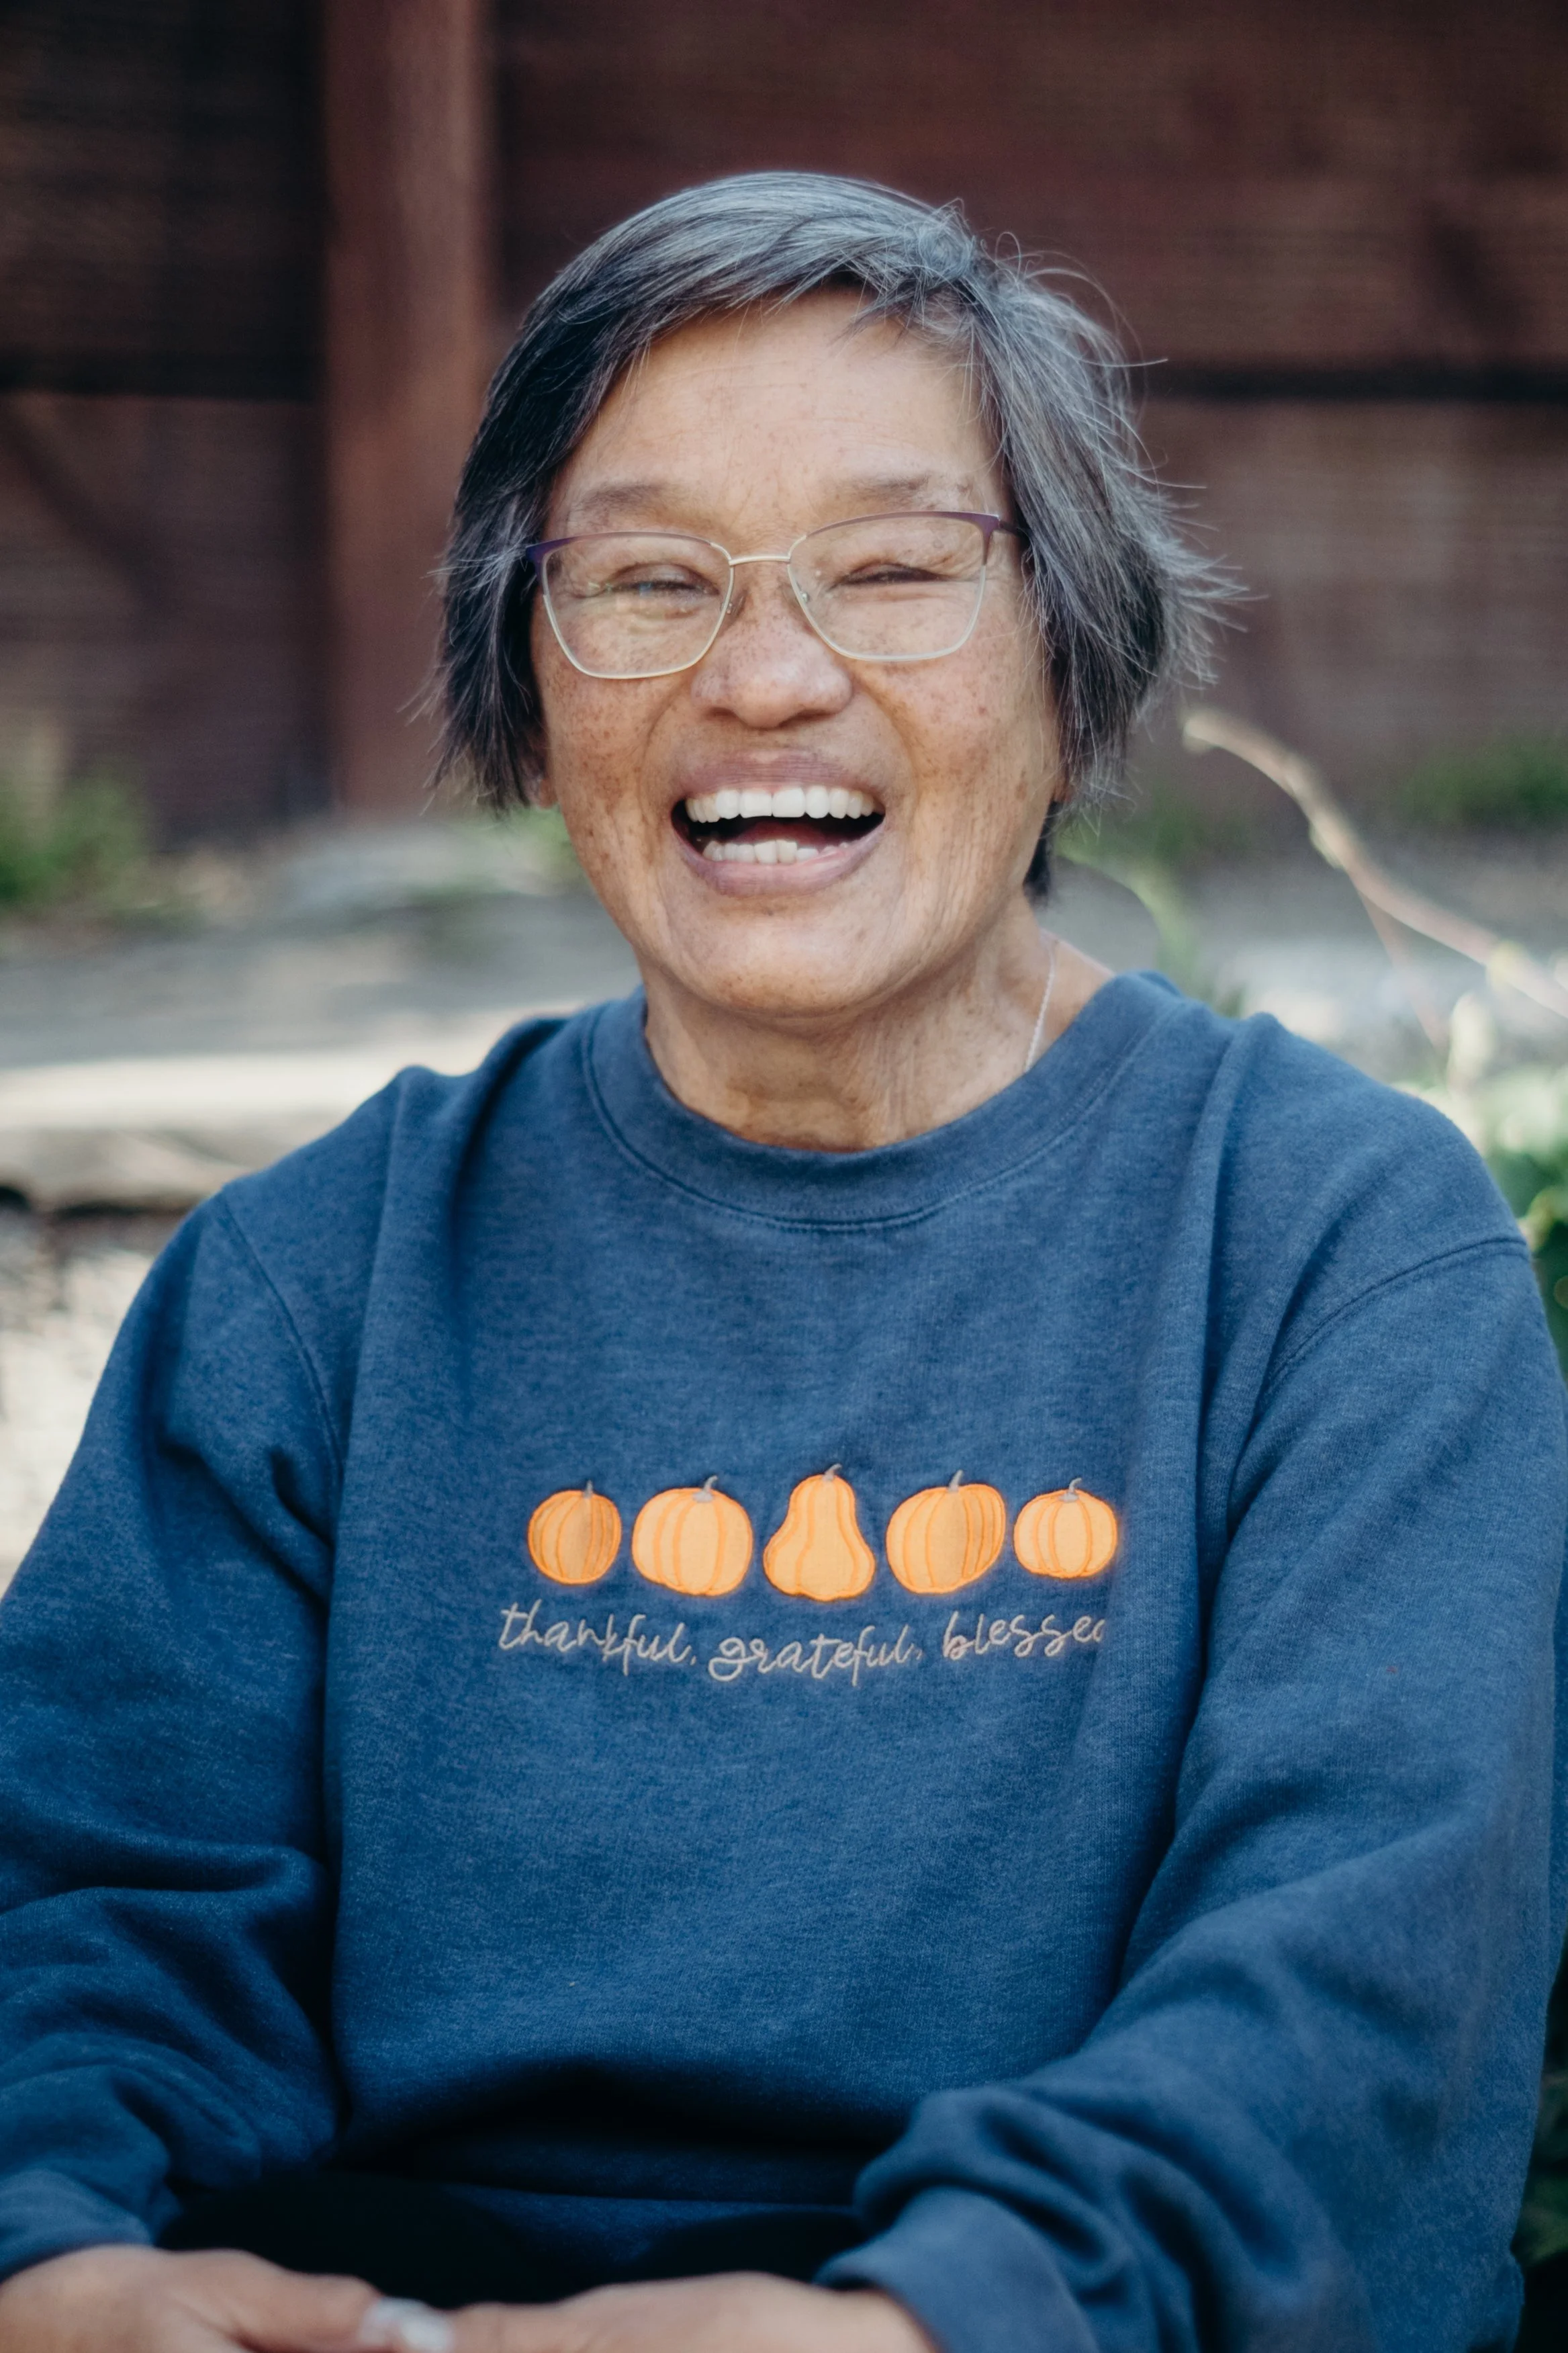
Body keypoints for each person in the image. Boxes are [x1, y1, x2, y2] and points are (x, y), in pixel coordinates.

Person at [0, 173, 1562, 2353]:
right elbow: (86, 1903)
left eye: (895, 573)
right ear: (526, 687)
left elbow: (1358, 1986)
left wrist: (929, 2320)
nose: (762, 673)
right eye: (644, 583)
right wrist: (58, 2260)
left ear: (1070, 647)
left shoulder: (1331, 1251)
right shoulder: (319, 1278)